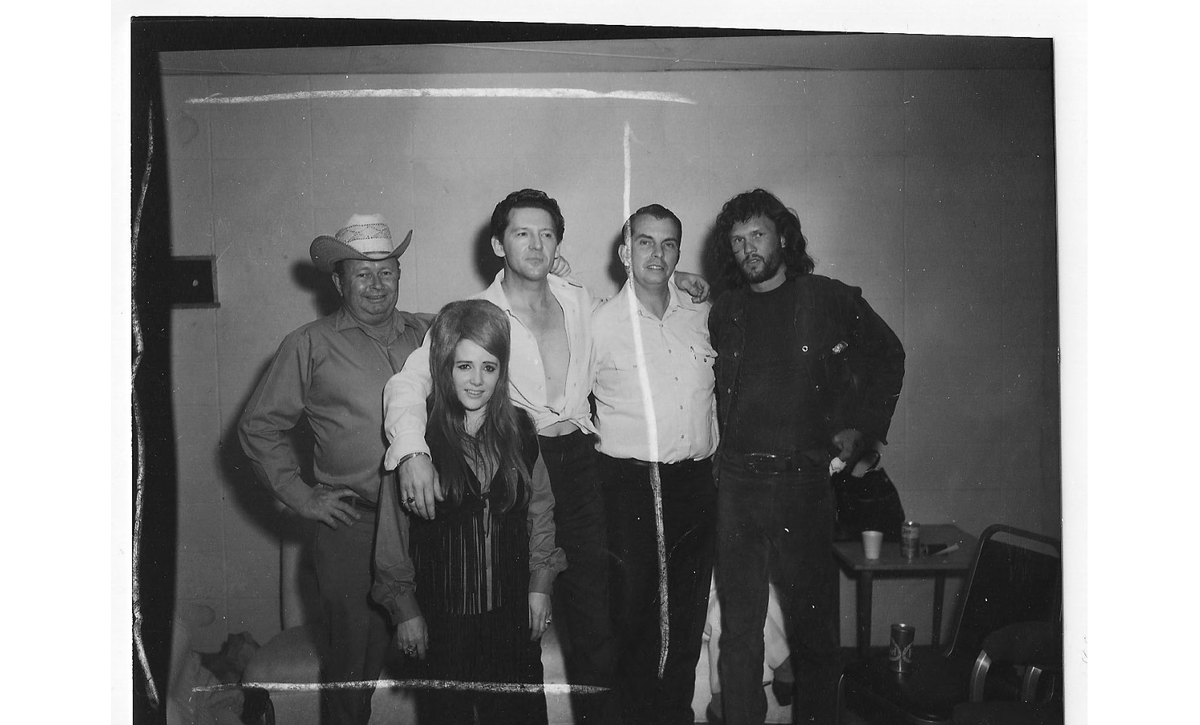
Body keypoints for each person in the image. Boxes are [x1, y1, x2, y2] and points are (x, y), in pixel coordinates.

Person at [382, 189, 708, 725]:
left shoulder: (582, 302)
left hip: (581, 465)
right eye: (521, 233)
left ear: (558, 241)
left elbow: (644, 318)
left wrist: (682, 280)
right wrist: (412, 450)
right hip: (515, 468)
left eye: (547, 233)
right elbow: (408, 383)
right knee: (515, 626)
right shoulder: (475, 316)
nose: (536, 244)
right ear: (497, 244)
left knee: (596, 622)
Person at [708, 189, 905, 725]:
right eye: (738, 239)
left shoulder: (828, 298)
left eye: (758, 235)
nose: (749, 248)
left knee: (815, 636)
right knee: (740, 634)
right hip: (739, 487)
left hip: (804, 486)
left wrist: (862, 430)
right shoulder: (724, 311)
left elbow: (889, 354)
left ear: (783, 238)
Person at [238, 213, 433, 725]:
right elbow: (258, 427)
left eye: (386, 271)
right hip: (356, 529)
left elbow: (497, 335)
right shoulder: (309, 344)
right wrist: (302, 497)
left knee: (445, 655)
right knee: (354, 669)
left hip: (432, 523)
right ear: (339, 281)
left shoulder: (428, 333)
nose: (376, 284)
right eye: (361, 273)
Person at [371, 299, 567, 725]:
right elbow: (392, 538)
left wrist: (541, 585)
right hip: (444, 626)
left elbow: (541, 512)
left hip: (511, 620)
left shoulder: (522, 430)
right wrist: (406, 612)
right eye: (464, 366)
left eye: (489, 367)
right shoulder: (415, 443)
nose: (477, 381)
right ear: (444, 367)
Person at [590, 204, 718, 725]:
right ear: (624, 251)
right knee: (633, 620)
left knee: (687, 619)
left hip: (694, 483)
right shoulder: (598, 323)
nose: (657, 254)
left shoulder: (701, 314)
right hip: (629, 489)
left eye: (668, 244)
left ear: (679, 253)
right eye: (645, 242)